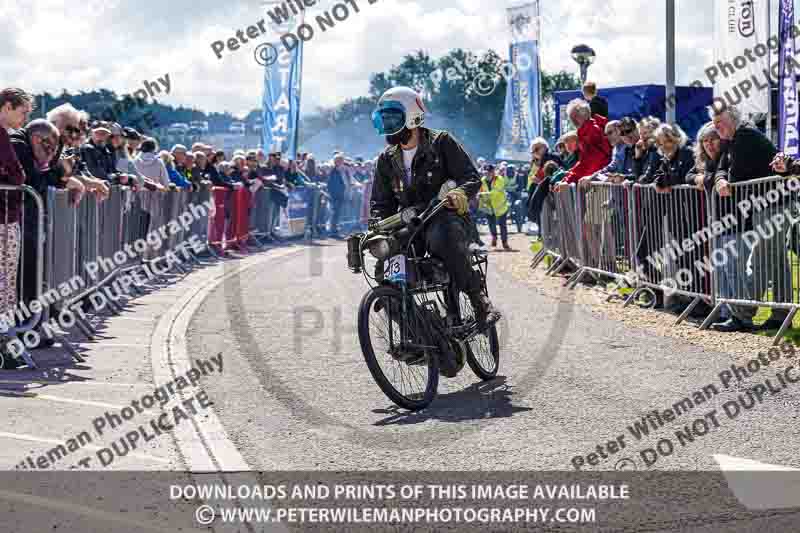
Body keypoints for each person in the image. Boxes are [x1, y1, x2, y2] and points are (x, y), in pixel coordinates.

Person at [369, 86, 500, 356]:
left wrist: (459, 193)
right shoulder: (385, 160)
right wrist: (380, 227)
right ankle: (417, 334)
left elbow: (471, 178)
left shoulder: (442, 142)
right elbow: (380, 205)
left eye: (393, 119)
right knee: (386, 270)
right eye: (384, 120)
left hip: (447, 219)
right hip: (411, 229)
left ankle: (480, 303)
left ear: (412, 117)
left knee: (442, 235)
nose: (387, 126)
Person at [712, 104, 782, 332]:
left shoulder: (746, 136)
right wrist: (720, 179)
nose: (716, 127)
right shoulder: (732, 139)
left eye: (720, 122)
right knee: (775, 261)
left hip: (774, 204)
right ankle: (779, 313)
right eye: (714, 123)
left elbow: (735, 175)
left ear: (733, 120)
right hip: (765, 205)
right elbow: (721, 168)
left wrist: (724, 179)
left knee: (762, 260)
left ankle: (744, 314)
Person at [552, 99, 611, 191]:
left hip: (598, 181)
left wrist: (568, 180)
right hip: (596, 179)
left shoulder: (592, 131)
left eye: (573, 117)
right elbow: (584, 161)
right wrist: (567, 179)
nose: (572, 120)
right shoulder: (587, 131)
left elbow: (591, 162)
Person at [478, 164, 513, 251]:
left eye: (490, 172)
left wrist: (483, 195)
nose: (488, 174)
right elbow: (480, 192)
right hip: (489, 206)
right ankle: (494, 237)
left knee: (502, 225)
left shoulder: (500, 179)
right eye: (486, 172)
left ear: (493, 172)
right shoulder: (482, 181)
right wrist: (481, 197)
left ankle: (505, 243)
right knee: (491, 224)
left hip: (500, 206)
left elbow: (495, 192)